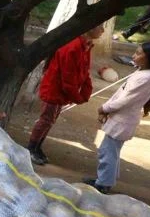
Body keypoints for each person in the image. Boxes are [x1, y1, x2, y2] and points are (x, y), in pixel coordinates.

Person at [27, 24, 105, 166]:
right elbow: (67, 77)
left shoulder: (85, 45)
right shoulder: (73, 47)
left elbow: (85, 71)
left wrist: (85, 92)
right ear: (90, 27)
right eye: (99, 26)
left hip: (62, 91)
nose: (102, 31)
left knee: (50, 120)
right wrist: (77, 97)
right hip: (55, 89)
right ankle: (31, 148)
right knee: (46, 119)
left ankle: (37, 146)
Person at [86, 43, 150, 194]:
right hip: (122, 118)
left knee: (107, 151)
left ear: (149, 58)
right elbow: (122, 95)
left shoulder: (145, 78)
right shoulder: (143, 73)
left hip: (122, 120)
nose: (134, 56)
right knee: (111, 151)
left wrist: (105, 108)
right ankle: (105, 180)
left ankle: (103, 184)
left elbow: (125, 100)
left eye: (138, 53)